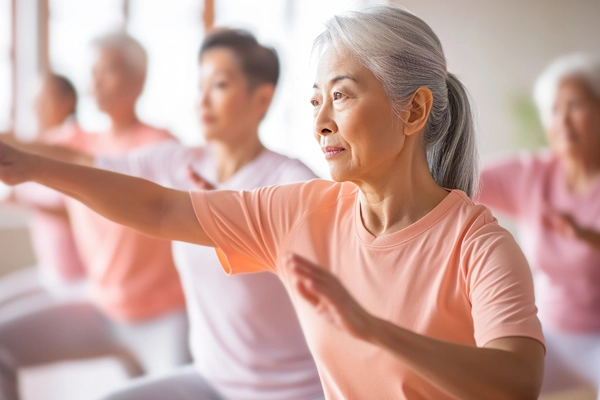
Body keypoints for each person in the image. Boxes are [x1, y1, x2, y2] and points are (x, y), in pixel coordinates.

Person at [0, 5, 546, 399]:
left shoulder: (479, 244)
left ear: (413, 111)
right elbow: (159, 209)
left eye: (341, 95)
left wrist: (373, 329)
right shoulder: (302, 211)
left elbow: (517, 382)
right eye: (314, 100)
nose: (320, 121)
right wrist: (33, 167)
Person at [92, 29, 323, 400]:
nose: (202, 99)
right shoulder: (180, 161)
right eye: (200, 85)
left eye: (218, 85)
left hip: (291, 391)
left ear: (261, 99)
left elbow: (335, 259)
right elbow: (89, 167)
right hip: (211, 382)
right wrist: (29, 163)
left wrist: (234, 218)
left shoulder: (291, 180)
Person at [0, 32, 189, 400]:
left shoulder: (161, 145)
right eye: (92, 73)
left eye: (108, 72)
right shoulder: (79, 139)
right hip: (99, 309)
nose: (95, 84)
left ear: (138, 79)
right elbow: (31, 146)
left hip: (164, 318)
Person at [478, 53, 600, 397]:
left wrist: (589, 237)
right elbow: (460, 179)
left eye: (575, 105)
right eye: (553, 110)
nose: (563, 120)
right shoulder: (533, 175)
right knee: (490, 388)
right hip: (548, 336)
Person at [0, 74, 86, 322]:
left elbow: (84, 214)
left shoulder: (75, 144)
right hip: (51, 270)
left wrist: (27, 203)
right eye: (34, 101)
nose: (36, 107)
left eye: (43, 99)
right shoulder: (42, 144)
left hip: (77, 277)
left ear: (68, 101)